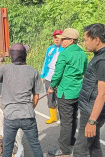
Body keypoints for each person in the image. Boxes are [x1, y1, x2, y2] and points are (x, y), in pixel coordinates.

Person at [47, 28, 88, 156]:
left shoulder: (64, 54)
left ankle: (63, 149)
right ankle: (71, 140)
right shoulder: (82, 53)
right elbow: (85, 71)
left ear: (71, 40)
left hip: (65, 91)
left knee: (66, 121)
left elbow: (57, 73)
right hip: (77, 90)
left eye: (64, 39)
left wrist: (52, 86)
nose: (61, 40)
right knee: (74, 117)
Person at [73, 23, 105, 157]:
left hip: (92, 111)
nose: (84, 43)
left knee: (81, 150)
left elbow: (102, 93)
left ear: (96, 39)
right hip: (91, 108)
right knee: (94, 145)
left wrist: (92, 120)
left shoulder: (102, 60)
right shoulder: (98, 56)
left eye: (86, 40)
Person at [41, 29, 64, 124]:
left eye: (59, 37)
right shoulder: (50, 49)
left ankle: (64, 118)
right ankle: (53, 117)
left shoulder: (65, 49)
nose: (57, 39)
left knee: (62, 98)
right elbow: (46, 62)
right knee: (50, 97)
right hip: (49, 76)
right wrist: (43, 75)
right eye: (55, 37)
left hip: (61, 77)